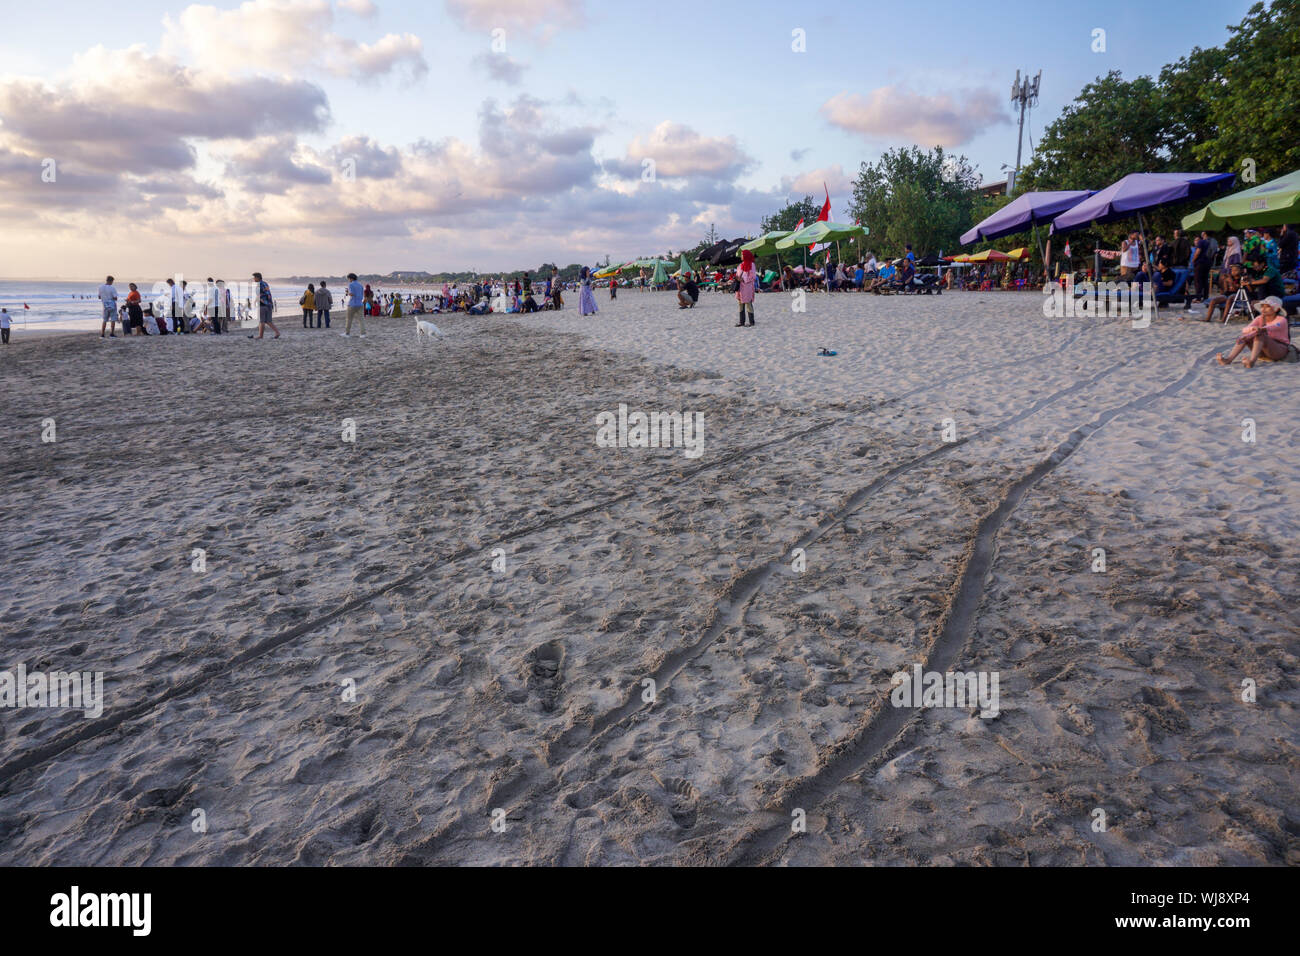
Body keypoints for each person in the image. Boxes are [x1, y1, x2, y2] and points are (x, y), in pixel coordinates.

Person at [1216, 296, 1290, 368]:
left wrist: (1258, 330)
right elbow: (1245, 329)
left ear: (1276, 309)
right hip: (1264, 350)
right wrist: (1249, 333)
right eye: (1262, 306)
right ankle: (1229, 359)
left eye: (1267, 306)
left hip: (1279, 349)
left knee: (1259, 335)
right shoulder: (1259, 318)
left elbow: (1272, 327)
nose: (1263, 309)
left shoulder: (1282, 320)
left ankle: (1251, 361)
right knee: (1246, 334)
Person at [252, 271, 280, 339]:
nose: (253, 279)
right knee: (268, 321)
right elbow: (268, 294)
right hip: (269, 304)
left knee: (261, 321)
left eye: (254, 277)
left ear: (258, 278)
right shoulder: (265, 284)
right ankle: (277, 332)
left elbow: (258, 295)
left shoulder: (259, 285)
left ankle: (260, 336)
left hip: (262, 304)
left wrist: (255, 302)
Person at [734, 249, 757, 326]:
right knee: (740, 304)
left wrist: (743, 279)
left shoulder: (752, 265)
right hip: (740, 287)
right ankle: (741, 322)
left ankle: (751, 322)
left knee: (748, 303)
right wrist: (737, 278)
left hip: (747, 287)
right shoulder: (740, 265)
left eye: (742, 254)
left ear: (746, 255)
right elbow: (737, 274)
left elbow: (753, 276)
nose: (741, 256)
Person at [344, 272, 365, 337]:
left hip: (352, 304)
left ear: (351, 278)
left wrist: (347, 292)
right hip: (360, 304)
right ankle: (362, 334)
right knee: (361, 320)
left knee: (349, 319)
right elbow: (362, 294)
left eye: (349, 279)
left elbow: (351, 294)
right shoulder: (361, 285)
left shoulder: (350, 285)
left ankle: (347, 333)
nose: (349, 280)